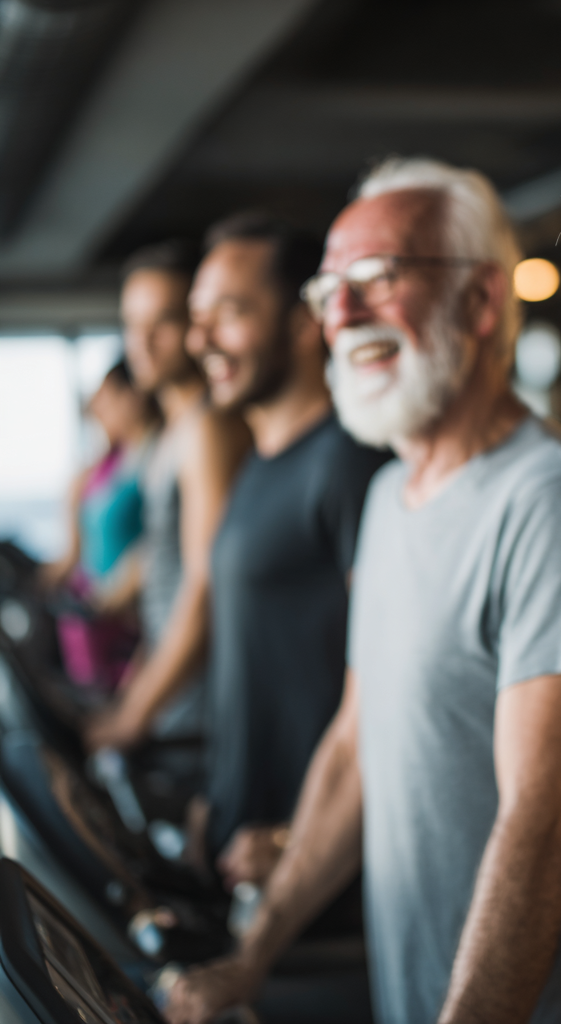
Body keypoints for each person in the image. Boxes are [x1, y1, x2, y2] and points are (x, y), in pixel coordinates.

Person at [165, 159, 561, 1024]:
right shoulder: (390, 494)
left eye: (379, 278)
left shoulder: (547, 495)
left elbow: (544, 818)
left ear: (481, 301)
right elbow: (357, 744)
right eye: (330, 291)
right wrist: (252, 955)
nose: (343, 314)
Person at [183, 211, 389, 871]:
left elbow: (392, 689)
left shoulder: (348, 462)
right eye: (197, 316)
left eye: (229, 313)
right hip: (239, 834)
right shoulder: (259, 459)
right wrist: (216, 789)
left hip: (307, 859)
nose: (199, 339)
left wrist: (299, 839)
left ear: (305, 323)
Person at [84, 242, 250, 749]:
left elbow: (205, 588)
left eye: (163, 323)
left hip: (200, 703)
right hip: (173, 692)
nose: (142, 343)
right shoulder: (170, 434)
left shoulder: (207, 428)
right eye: (132, 324)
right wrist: (135, 692)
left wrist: (133, 716)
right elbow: (165, 579)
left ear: (196, 325)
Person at [40, 360, 158, 688]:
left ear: (134, 396)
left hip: (129, 619)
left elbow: (156, 541)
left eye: (108, 400)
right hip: (90, 616)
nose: (98, 411)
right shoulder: (103, 467)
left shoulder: (155, 457)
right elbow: (77, 549)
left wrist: (114, 595)